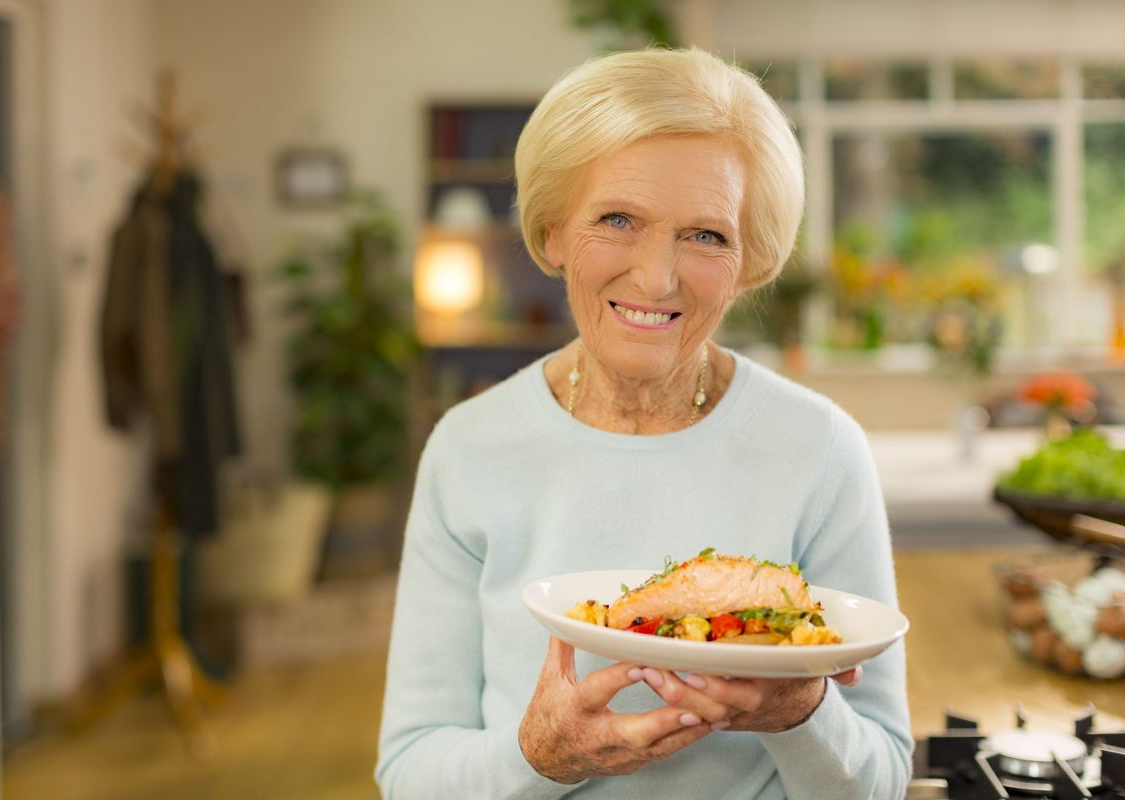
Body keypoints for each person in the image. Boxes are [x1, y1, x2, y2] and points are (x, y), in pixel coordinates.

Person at [375, 47, 911, 799]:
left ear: (749, 259)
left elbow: (881, 780)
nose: (657, 278)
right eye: (618, 219)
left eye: (707, 235)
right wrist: (540, 758)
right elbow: (410, 774)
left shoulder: (819, 450)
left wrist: (803, 711)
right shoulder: (469, 449)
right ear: (554, 234)